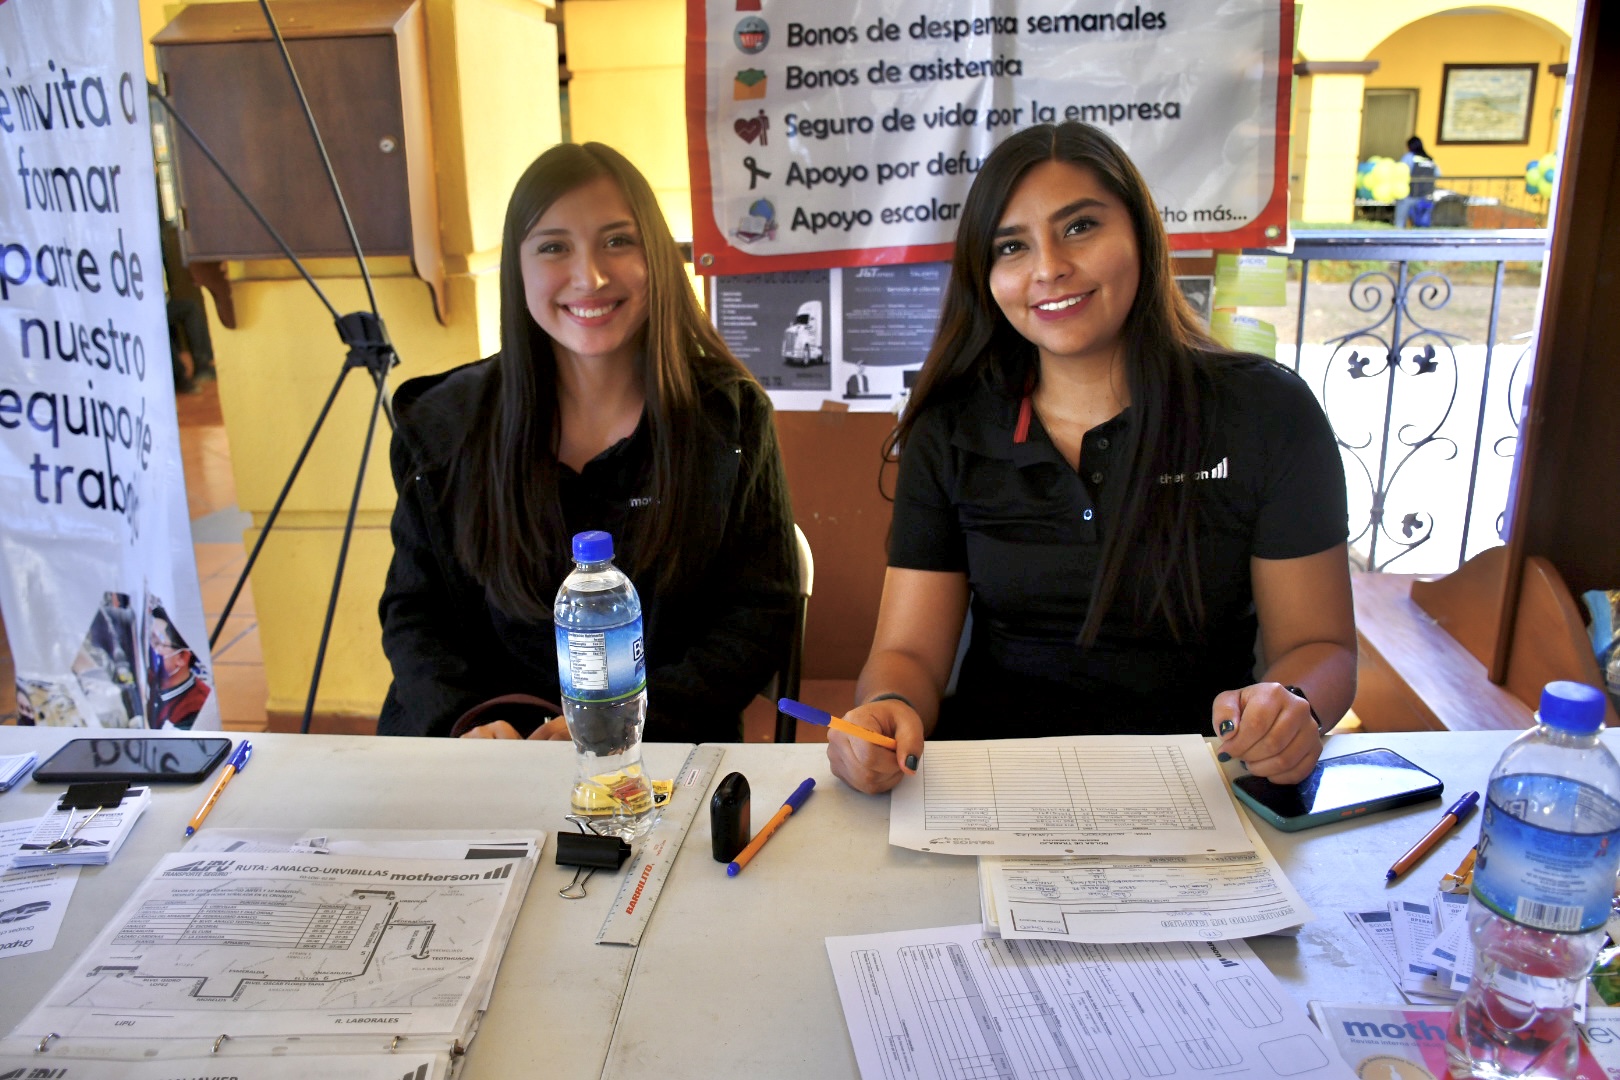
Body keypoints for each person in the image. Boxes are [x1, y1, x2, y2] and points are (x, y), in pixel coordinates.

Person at [829, 122, 1356, 795]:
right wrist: (886, 711)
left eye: (1079, 227)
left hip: (1204, 782)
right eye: (1012, 246)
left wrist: (1291, 709)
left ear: (1140, 233)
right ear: (986, 277)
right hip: (993, 785)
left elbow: (1319, 646)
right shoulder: (951, 428)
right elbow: (907, 654)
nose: (1048, 267)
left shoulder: (1265, 410)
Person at [377, 142, 798, 743]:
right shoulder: (445, 426)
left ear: (656, 256)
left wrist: (618, 727)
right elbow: (416, 613)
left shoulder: (728, 420)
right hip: (481, 757)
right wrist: (465, 723)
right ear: (517, 268)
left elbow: (757, 615)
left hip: (657, 750)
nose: (590, 276)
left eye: (618, 240)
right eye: (553, 247)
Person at [146, 604, 211, 729]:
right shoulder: (150, 677)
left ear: (182, 657)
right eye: (150, 640)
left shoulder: (196, 708)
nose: (151, 648)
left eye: (157, 642)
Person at [1395, 136, 1438, 228]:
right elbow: (1438, 174)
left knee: (1400, 223)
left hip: (1410, 194)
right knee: (1422, 224)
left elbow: (1400, 171)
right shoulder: (1430, 159)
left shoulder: (1409, 157)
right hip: (1426, 195)